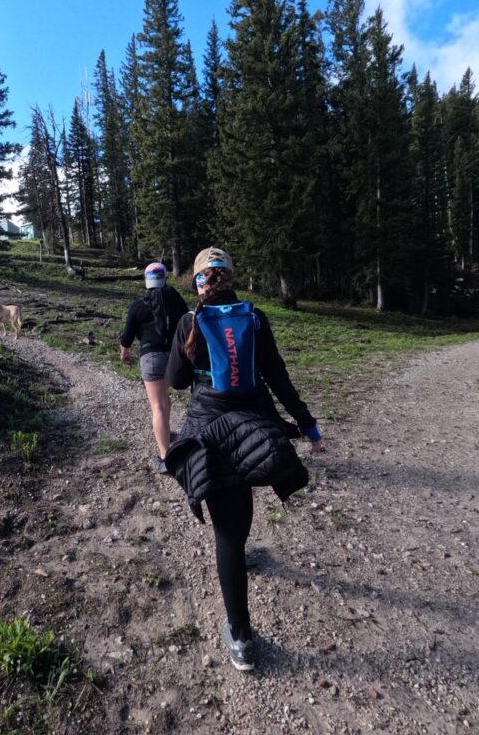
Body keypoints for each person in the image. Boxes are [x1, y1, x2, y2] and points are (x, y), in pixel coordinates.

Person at [164, 246, 323, 672]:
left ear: (198, 282)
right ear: (231, 277)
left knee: (227, 534)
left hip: (208, 434)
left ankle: (241, 639)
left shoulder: (188, 322)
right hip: (253, 430)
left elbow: (178, 382)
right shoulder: (254, 318)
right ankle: (242, 610)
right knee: (239, 522)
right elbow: (276, 376)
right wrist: (307, 424)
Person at [119, 262, 189, 472]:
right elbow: (187, 323)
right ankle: (166, 434)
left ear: (146, 281)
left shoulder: (138, 305)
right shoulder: (176, 300)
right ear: (165, 278)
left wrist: (125, 352)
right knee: (165, 398)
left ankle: (165, 458)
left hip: (151, 358)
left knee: (157, 405)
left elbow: (127, 337)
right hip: (175, 357)